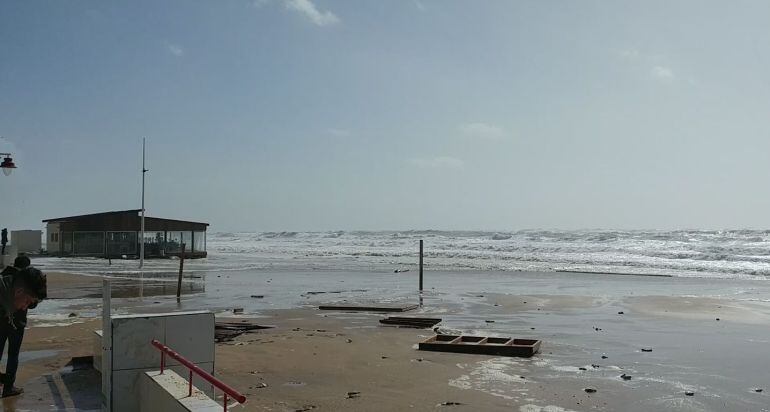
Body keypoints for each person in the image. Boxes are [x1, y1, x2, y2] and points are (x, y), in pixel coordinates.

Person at [0, 264, 46, 397]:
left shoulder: (9, 289)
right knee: (13, 354)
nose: (24, 307)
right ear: (19, 292)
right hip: (15, 325)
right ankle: (8, 388)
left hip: (12, 324)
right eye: (26, 302)